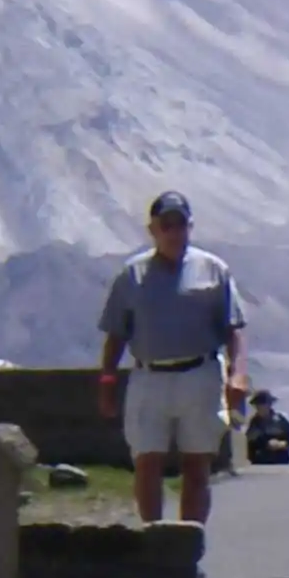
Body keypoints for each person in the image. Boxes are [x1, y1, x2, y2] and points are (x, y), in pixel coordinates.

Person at [96, 192, 249, 525]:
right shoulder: (132, 276)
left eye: (180, 224)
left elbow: (233, 328)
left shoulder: (212, 270)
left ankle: (189, 543)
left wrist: (238, 375)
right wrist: (107, 382)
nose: (174, 232)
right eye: (166, 225)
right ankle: (153, 539)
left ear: (190, 226)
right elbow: (116, 335)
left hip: (200, 374)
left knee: (197, 464)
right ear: (153, 229)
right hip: (150, 378)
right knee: (147, 461)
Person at [245, 389, 289, 466]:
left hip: (281, 466)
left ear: (269, 405)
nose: (261, 408)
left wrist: (282, 444)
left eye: (263, 404)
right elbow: (248, 446)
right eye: (258, 405)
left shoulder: (281, 421)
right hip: (260, 468)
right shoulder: (253, 424)